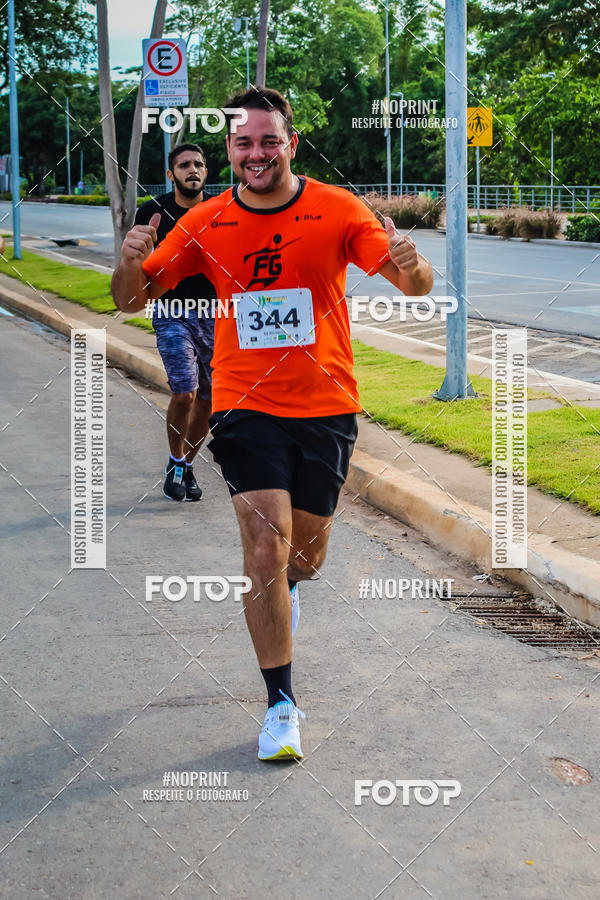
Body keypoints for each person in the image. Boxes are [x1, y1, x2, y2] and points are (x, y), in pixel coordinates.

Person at [111, 88, 433, 761]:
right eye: (242, 142)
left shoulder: (337, 208)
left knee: (303, 557)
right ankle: (281, 705)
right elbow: (131, 299)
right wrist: (129, 258)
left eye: (267, 140)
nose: (255, 152)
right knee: (264, 545)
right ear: (229, 149)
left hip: (326, 404)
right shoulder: (205, 219)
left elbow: (414, 285)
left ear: (289, 143)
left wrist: (415, 264)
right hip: (242, 403)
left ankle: (287, 588)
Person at [134, 143, 217, 501]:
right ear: (171, 175)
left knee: (209, 401)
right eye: (184, 165)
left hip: (217, 314)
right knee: (185, 391)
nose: (192, 169)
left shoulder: (222, 210)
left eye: (198, 164)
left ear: (206, 172)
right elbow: (139, 265)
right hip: (171, 312)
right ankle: (175, 458)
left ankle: (184, 465)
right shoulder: (152, 211)